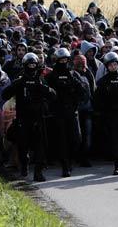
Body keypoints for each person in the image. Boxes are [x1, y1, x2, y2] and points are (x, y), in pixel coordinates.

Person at [2, 53, 56, 182]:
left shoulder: (41, 80)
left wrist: (43, 88)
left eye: (34, 64)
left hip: (38, 119)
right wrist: (16, 86)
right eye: (29, 64)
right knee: (22, 146)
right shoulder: (20, 81)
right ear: (25, 65)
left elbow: (53, 95)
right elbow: (5, 94)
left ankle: (38, 172)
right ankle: (24, 164)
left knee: (40, 147)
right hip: (23, 119)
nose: (32, 67)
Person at [45, 48, 83, 177]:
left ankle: (71, 161)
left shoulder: (73, 75)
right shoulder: (50, 76)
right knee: (62, 141)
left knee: (76, 139)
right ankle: (65, 165)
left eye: (65, 60)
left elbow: (82, 91)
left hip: (72, 112)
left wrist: (76, 100)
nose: (63, 62)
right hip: (58, 113)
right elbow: (46, 94)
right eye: (61, 60)